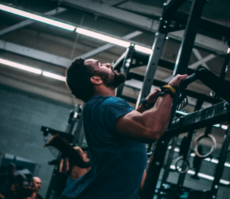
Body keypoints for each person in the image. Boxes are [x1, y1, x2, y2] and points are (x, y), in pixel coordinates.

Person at [59, 58, 187, 199]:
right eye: (100, 65)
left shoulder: (95, 107)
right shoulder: (107, 104)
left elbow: (122, 131)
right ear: (95, 79)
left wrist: (145, 105)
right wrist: (170, 90)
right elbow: (151, 129)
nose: (108, 64)